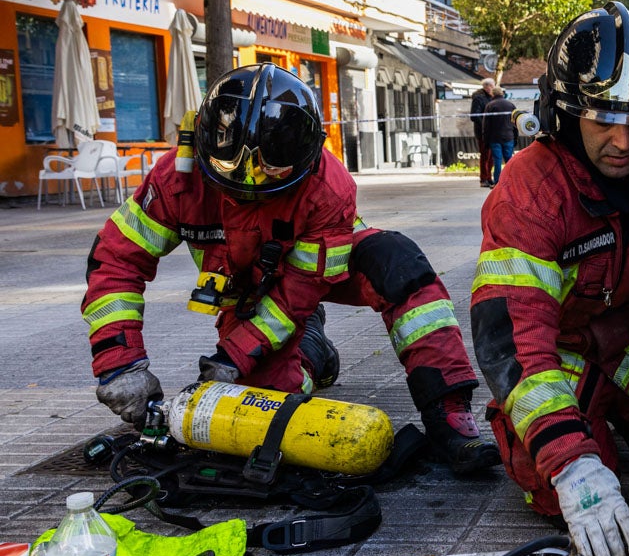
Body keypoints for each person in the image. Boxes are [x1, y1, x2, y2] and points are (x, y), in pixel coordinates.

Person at [84, 63, 500, 476]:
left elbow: (300, 291)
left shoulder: (327, 185)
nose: (248, 187)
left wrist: (232, 354)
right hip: (247, 290)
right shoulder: (178, 179)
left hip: (323, 267)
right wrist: (120, 366)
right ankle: (314, 352)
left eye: (269, 177)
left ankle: (449, 416)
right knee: (264, 407)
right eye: (231, 178)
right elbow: (116, 262)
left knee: (399, 265)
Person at [471, 2, 629, 556]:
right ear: (564, 114)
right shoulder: (530, 191)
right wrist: (571, 463)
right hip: (564, 356)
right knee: (551, 476)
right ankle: (585, 443)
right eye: (602, 119)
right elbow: (512, 337)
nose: (623, 140)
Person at [482, 86, 517, 186]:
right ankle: (511, 181)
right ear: (502, 93)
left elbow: (486, 125)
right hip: (508, 136)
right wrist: (515, 137)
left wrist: (486, 140)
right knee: (509, 160)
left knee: (497, 160)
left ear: (493, 94)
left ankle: (497, 182)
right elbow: (515, 122)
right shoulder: (510, 105)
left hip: (495, 138)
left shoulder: (490, 106)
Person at [471, 78, 496, 188]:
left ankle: (489, 177)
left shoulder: (491, 97)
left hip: (491, 132)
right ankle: (484, 178)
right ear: (488, 86)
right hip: (483, 132)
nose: (493, 88)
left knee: (491, 157)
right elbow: (474, 116)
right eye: (493, 86)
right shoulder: (479, 98)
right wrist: (485, 127)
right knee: (485, 156)